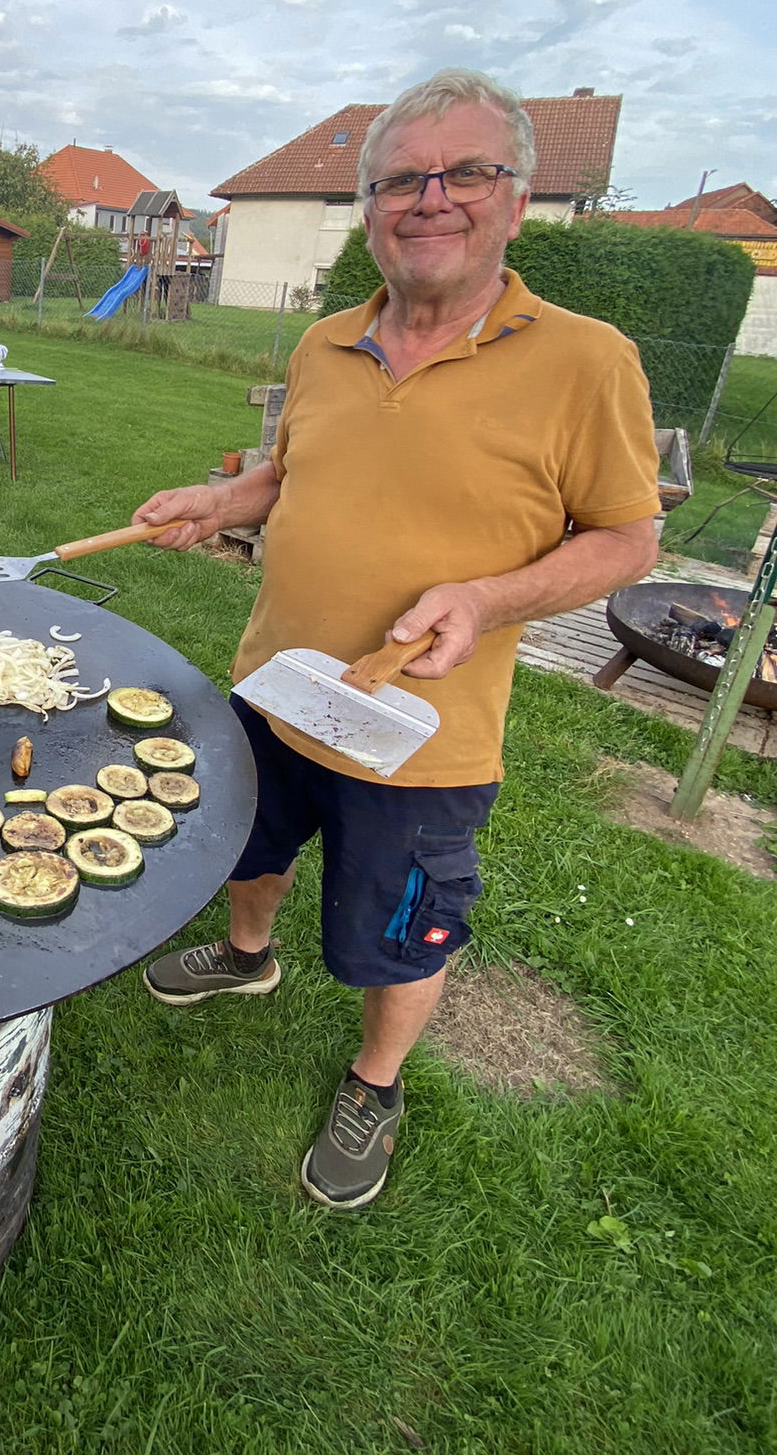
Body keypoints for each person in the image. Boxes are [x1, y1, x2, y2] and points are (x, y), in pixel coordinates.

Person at [135, 67, 661, 1211]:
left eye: (466, 171)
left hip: (422, 732)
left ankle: (376, 1080)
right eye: (400, 180)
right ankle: (246, 956)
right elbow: (293, 472)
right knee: (249, 844)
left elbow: (630, 538)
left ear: (516, 199)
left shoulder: (587, 360)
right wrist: (221, 502)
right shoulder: (327, 342)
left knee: (401, 923)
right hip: (277, 688)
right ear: (369, 208)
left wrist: (484, 598)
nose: (431, 198)